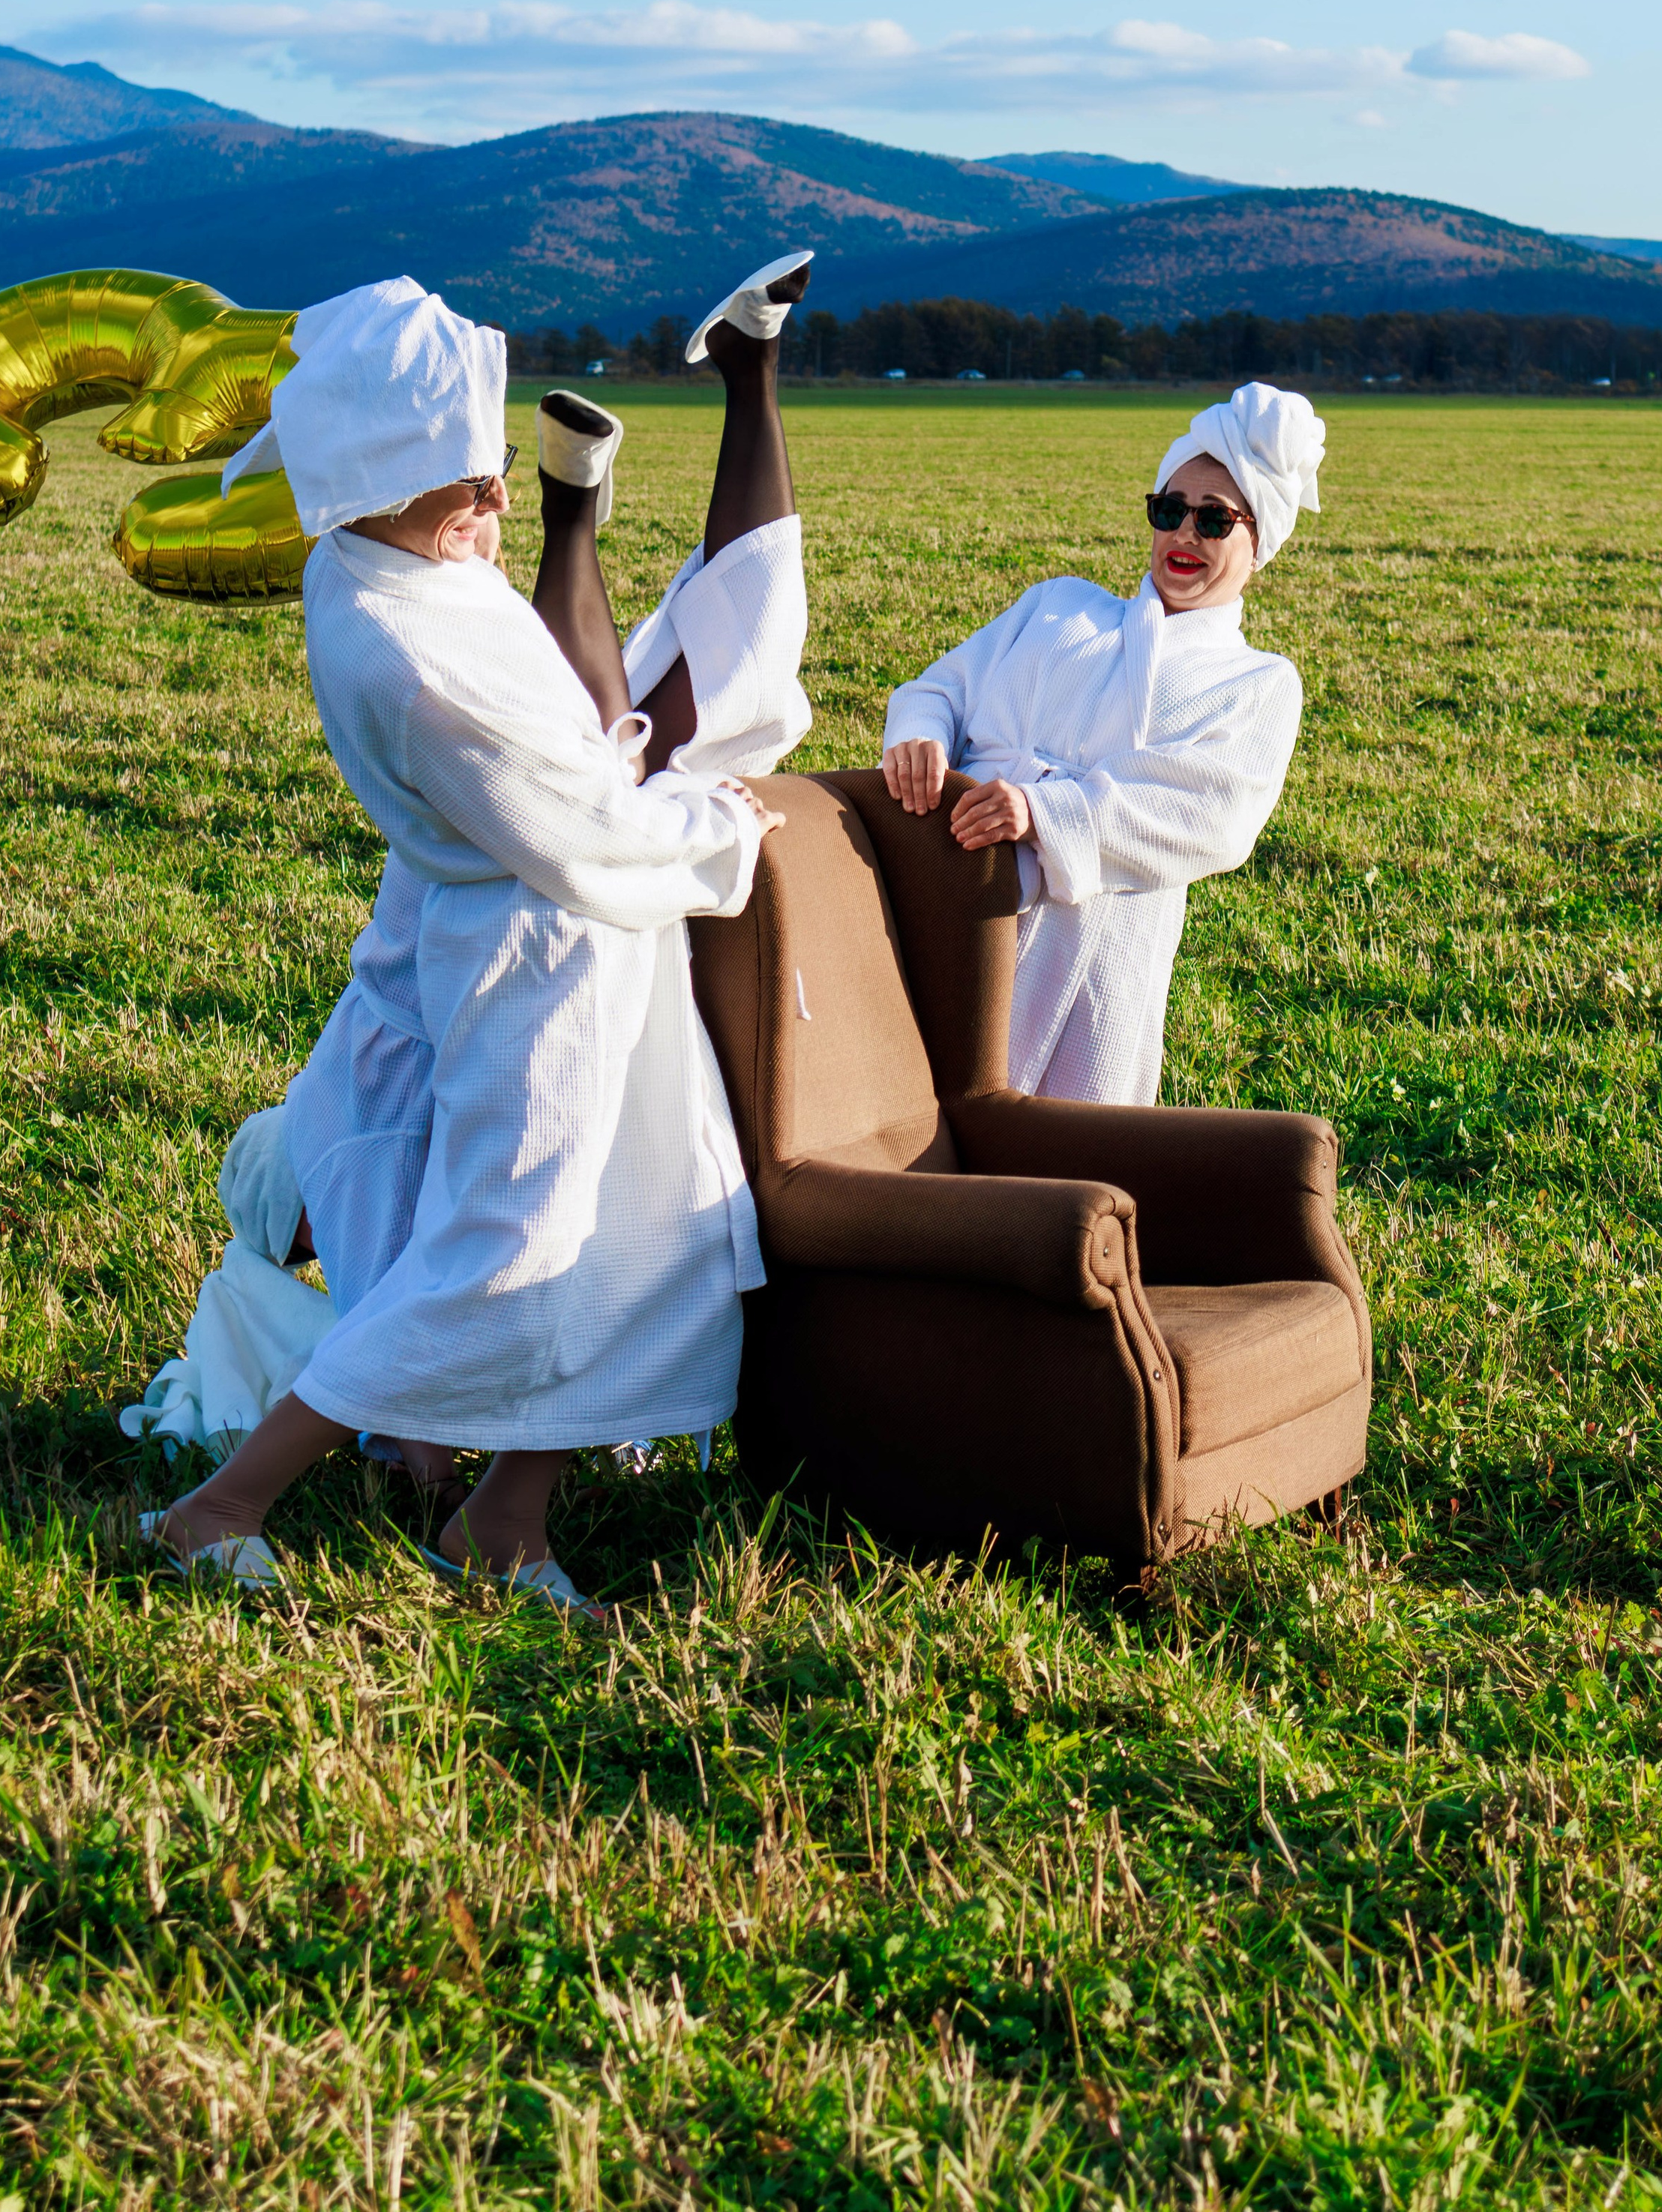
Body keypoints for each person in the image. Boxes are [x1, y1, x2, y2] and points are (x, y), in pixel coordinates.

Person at [141, 255, 812, 1612]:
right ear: (379, 471)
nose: (499, 496)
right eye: (470, 475)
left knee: (656, 1235)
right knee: (505, 1252)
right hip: (537, 973)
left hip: (597, 954)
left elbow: (572, 778)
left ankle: (505, 1524)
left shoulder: (393, 566)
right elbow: (575, 831)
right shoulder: (402, 649)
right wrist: (719, 829)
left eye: (496, 464)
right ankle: (220, 1508)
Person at [880, 382, 1324, 1107]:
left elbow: (1212, 815)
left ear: (1259, 541)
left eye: (1214, 521)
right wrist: (917, 739)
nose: (1185, 534)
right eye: (1169, 509)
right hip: (946, 896)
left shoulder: (1257, 682)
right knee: (906, 1113)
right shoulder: (1057, 605)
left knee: (1058, 1157)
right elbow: (939, 691)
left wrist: (1043, 812)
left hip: (1096, 949)